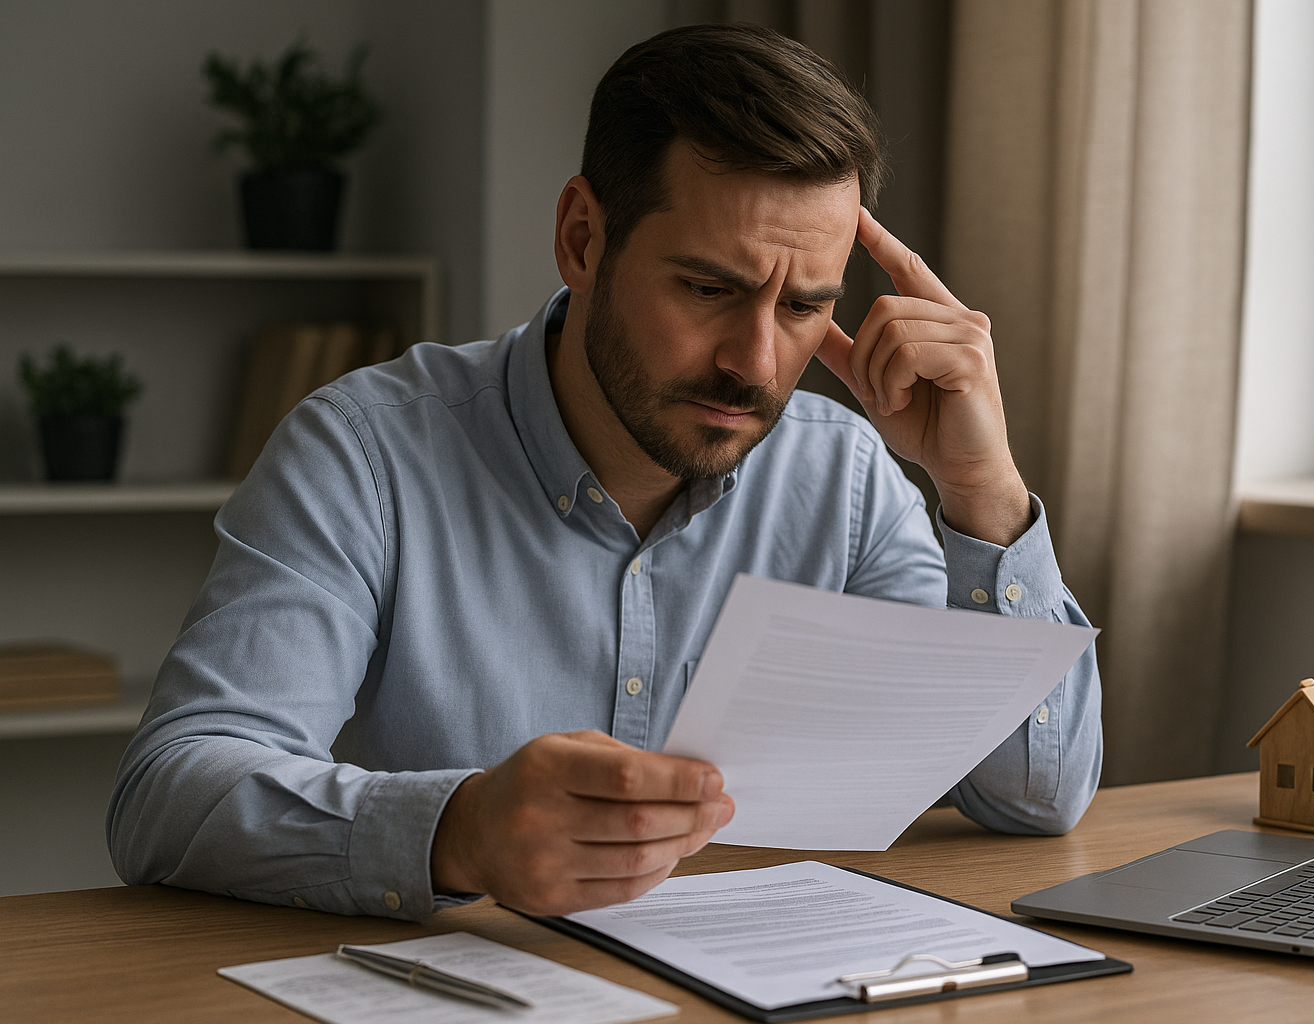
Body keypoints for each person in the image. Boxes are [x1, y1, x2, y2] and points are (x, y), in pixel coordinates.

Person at [108, 23, 1101, 921]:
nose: (756, 363)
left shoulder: (846, 480)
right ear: (583, 239)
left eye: (803, 306)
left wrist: (982, 490)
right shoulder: (363, 454)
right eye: (707, 288)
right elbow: (168, 793)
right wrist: (461, 829)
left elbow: (1031, 796)